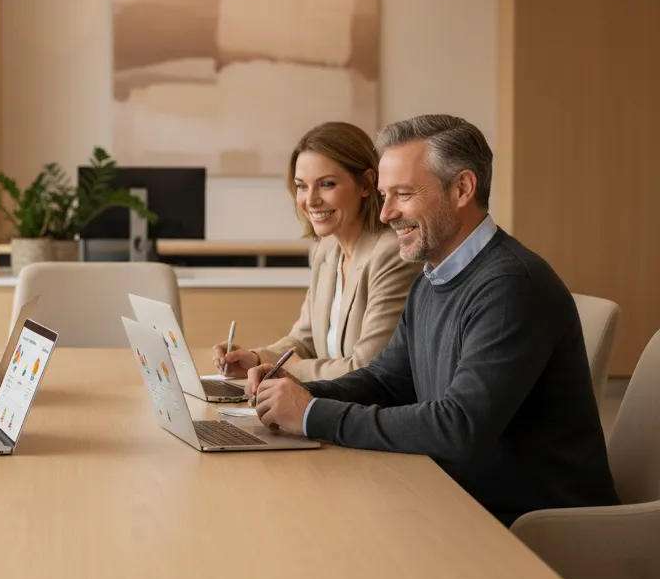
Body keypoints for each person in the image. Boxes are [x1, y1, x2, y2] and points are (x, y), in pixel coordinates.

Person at [250, 114, 618, 524]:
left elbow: (458, 428)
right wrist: (294, 391)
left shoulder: (511, 285)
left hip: (531, 525)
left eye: (403, 194)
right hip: (457, 496)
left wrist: (311, 413)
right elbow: (386, 381)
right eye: (385, 195)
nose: (386, 213)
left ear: (462, 189)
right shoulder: (434, 275)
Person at [213, 122, 419, 381]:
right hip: (330, 403)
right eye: (301, 186)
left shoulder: (391, 254)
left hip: (367, 413)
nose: (310, 201)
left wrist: (291, 370)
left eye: (327, 184)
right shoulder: (327, 248)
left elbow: (367, 368)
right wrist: (256, 359)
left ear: (366, 184)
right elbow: (304, 339)